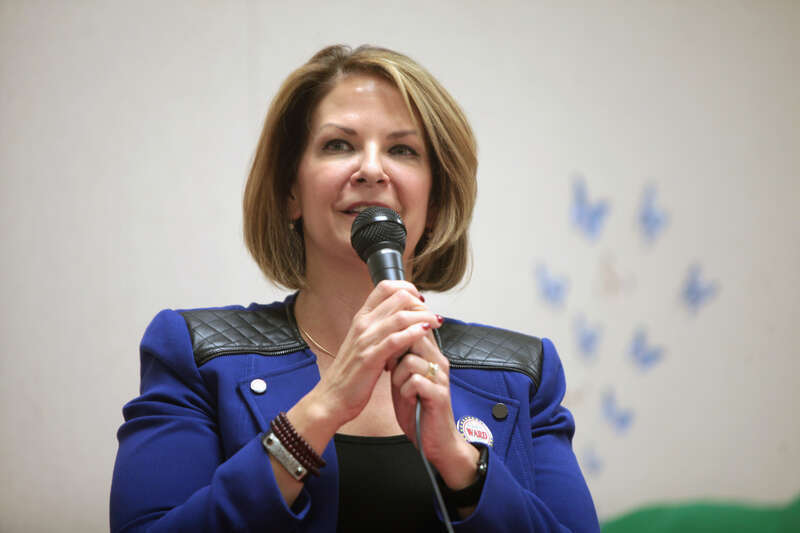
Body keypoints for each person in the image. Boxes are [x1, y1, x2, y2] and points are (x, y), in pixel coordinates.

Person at [110, 44, 600, 533]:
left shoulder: (522, 374)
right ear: (290, 192)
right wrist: (322, 410)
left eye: (402, 150)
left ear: (434, 202)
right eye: (339, 145)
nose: (371, 169)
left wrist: (459, 464)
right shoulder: (196, 355)